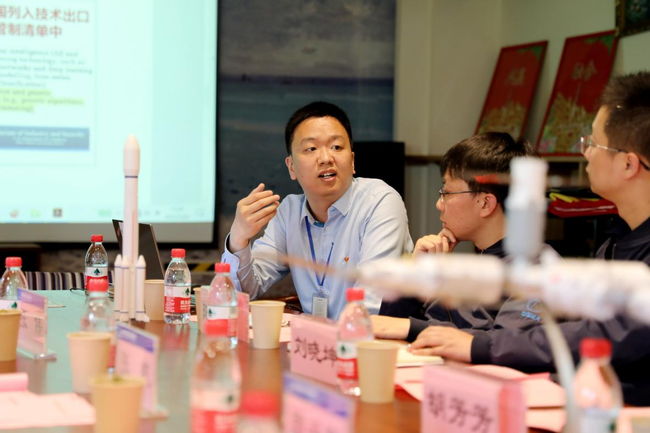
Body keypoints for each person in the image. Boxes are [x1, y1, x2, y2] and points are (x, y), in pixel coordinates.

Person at [408, 72, 650, 405]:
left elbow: (602, 338)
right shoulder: (615, 242)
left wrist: (475, 345)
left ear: (628, 164)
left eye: (593, 143)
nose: (585, 153)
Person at [221, 101, 413, 319]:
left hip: (371, 338)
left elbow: (370, 305)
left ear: (352, 161)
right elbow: (244, 292)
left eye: (336, 147)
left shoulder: (380, 202)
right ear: (291, 167)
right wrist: (239, 238)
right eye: (311, 149)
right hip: (315, 337)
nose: (326, 158)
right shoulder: (289, 213)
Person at [372, 132, 545, 342]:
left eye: (446, 193)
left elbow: (505, 346)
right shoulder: (477, 264)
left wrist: (414, 328)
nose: (439, 204)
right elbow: (387, 326)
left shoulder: (536, 270)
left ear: (485, 204)